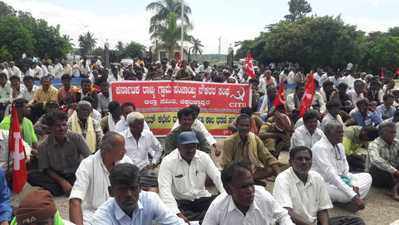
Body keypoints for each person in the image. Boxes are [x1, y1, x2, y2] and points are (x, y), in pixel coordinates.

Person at [273, 146, 365, 225]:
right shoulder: (283, 179)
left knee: (356, 222)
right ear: (290, 162)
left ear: (311, 162)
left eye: (307, 159)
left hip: (314, 222)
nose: (304, 162)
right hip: (293, 223)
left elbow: (322, 209)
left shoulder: (317, 177)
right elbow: (287, 212)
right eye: (299, 159)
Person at [159, 131, 224, 223]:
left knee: (220, 203)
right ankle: (202, 218)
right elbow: (164, 190)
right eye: (186, 146)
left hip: (202, 199)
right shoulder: (168, 161)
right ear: (178, 146)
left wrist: (226, 198)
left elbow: (218, 178)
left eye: (193, 146)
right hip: (181, 202)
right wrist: (177, 213)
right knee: (167, 211)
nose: (191, 150)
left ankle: (199, 218)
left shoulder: (204, 157)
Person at [69, 132, 133, 225]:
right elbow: (75, 200)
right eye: (122, 148)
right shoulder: (87, 165)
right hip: (93, 215)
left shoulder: (126, 162)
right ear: (108, 150)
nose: (125, 151)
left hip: (122, 213)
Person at [202, 161, 294, 225]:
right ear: (228, 189)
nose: (250, 191)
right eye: (243, 187)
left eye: (251, 184)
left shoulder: (263, 196)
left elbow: (283, 216)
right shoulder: (218, 206)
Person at [90, 163, 185, 225]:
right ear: (111, 192)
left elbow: (176, 223)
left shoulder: (150, 200)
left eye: (133, 188)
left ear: (140, 188)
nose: (129, 194)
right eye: (122, 189)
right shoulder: (101, 218)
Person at [311, 122, 372, 211]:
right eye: (338, 132)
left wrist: (351, 184)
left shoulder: (339, 146)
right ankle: (351, 198)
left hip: (342, 179)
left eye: (342, 132)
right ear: (328, 133)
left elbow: (345, 169)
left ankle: (349, 197)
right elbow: (331, 176)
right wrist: (353, 195)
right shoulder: (320, 148)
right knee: (346, 195)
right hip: (326, 183)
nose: (342, 135)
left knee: (367, 176)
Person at [28, 111, 91, 196]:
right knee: (32, 176)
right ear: (50, 128)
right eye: (57, 126)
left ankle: (68, 188)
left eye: (64, 125)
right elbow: (46, 169)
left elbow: (89, 158)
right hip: (57, 176)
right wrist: (62, 182)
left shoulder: (76, 138)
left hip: (76, 173)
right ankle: (67, 188)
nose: (62, 128)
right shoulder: (43, 146)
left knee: (90, 175)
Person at [222, 114, 280, 182]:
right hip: (236, 172)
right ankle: (249, 181)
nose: (244, 128)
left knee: (271, 169)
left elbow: (267, 156)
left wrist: (279, 176)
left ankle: (248, 180)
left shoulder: (254, 138)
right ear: (237, 126)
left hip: (252, 170)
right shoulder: (229, 141)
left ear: (250, 127)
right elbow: (227, 165)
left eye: (247, 126)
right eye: (241, 125)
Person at [368, 122, 399, 201]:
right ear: (382, 133)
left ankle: (395, 187)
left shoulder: (396, 142)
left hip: (393, 173)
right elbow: (375, 160)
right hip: (378, 174)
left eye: (394, 132)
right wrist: (394, 171)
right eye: (391, 132)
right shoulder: (374, 144)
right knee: (378, 168)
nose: (394, 134)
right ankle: (395, 189)